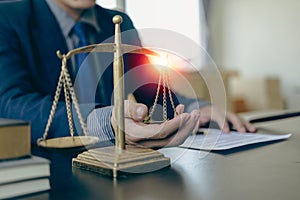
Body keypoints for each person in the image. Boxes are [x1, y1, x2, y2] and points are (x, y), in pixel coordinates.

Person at [0, 0, 256, 148]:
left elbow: (152, 91)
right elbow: (11, 103)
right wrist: (103, 121)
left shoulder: (118, 20)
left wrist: (195, 108)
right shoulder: (8, 17)